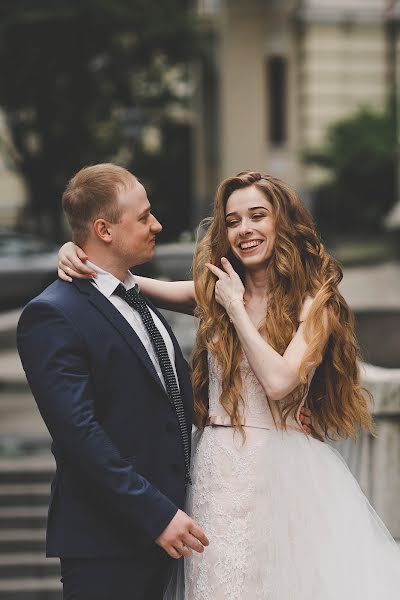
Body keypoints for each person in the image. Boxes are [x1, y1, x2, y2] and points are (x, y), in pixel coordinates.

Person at [58, 171, 400, 600]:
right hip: (214, 470)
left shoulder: (315, 302)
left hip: (281, 472)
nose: (245, 229)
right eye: (233, 220)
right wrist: (76, 251)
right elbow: (124, 283)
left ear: (283, 223)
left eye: (258, 215)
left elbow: (279, 382)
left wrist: (236, 309)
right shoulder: (214, 292)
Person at [17, 163, 210, 600]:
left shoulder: (138, 299)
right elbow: (79, 435)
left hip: (174, 537)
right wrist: (157, 515)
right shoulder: (53, 314)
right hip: (108, 546)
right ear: (104, 229)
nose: (157, 224)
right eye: (143, 217)